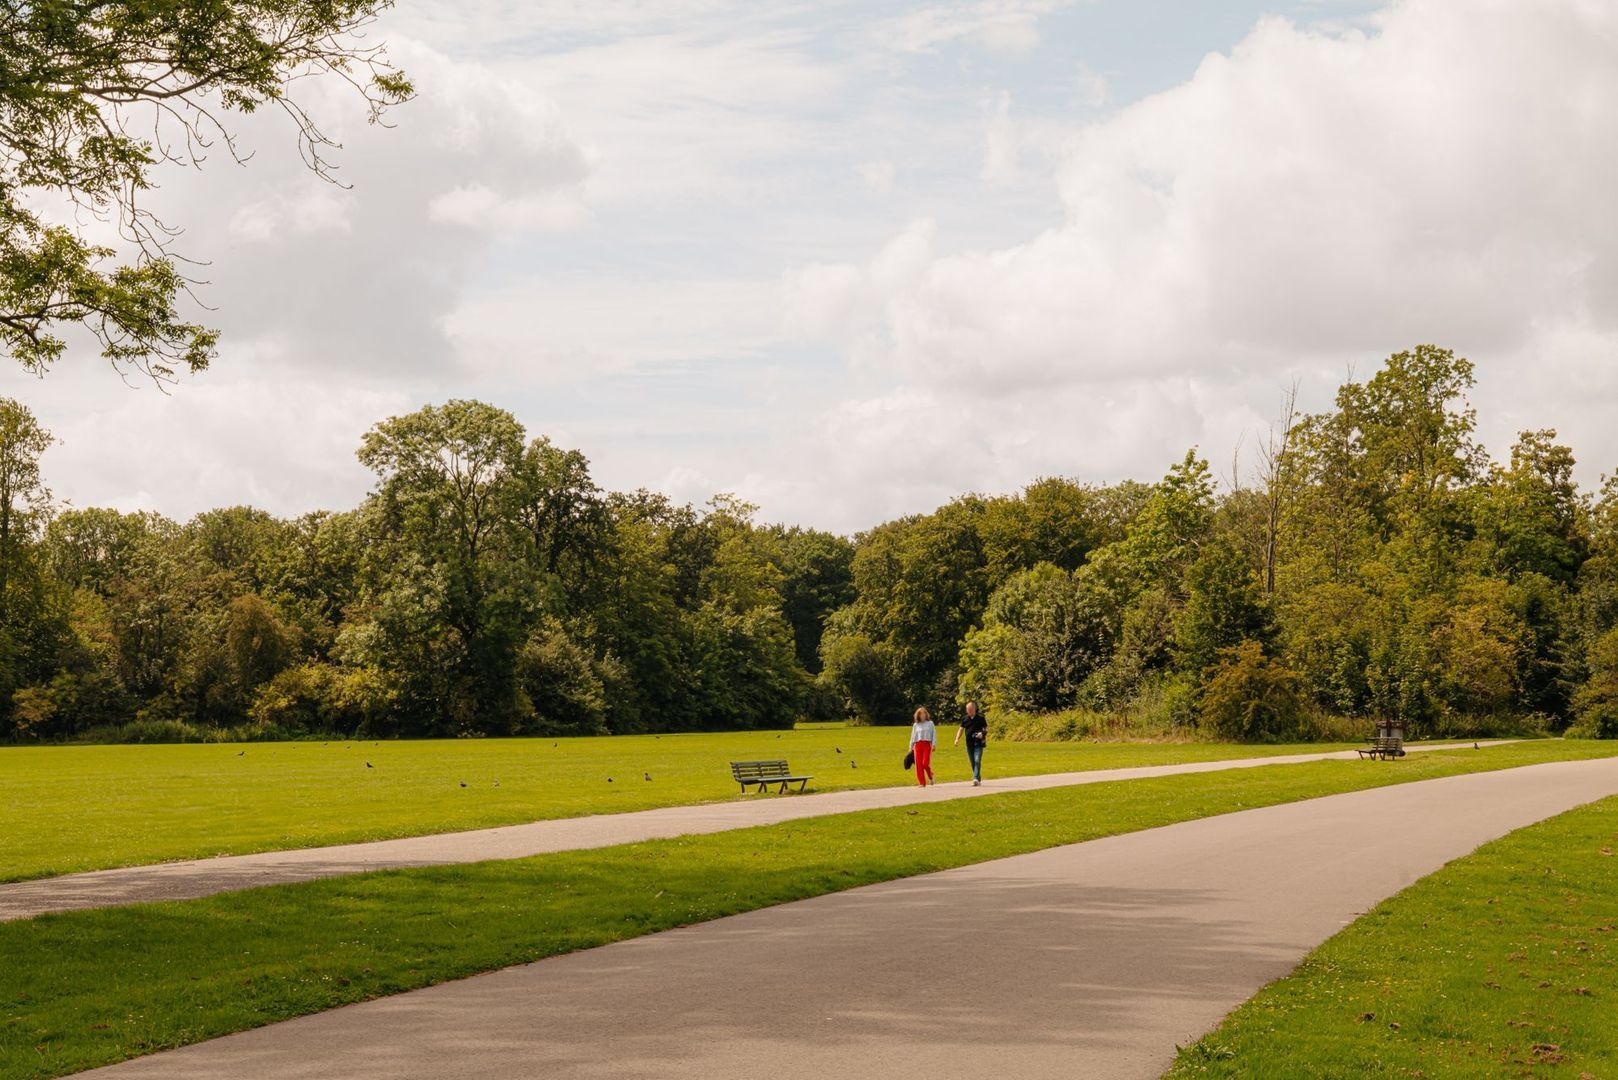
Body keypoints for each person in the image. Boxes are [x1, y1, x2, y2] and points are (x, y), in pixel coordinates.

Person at [954, 701, 988, 785]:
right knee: (973, 762)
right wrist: (957, 739)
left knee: (977, 760)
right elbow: (961, 729)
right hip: (969, 744)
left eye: (970, 709)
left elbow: (985, 729)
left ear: (974, 709)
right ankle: (978, 778)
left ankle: (975, 778)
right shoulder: (965, 719)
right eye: (967, 709)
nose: (968, 711)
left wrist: (982, 733)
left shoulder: (980, 718)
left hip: (978, 743)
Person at [909, 706, 937, 787]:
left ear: (926, 714)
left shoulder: (930, 723)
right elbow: (913, 736)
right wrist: (910, 746)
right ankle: (922, 782)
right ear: (918, 715)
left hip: (926, 745)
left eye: (924, 714)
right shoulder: (915, 725)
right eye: (921, 714)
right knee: (918, 764)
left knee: (925, 763)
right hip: (917, 745)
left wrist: (934, 744)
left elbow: (933, 734)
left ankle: (930, 775)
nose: (922, 716)